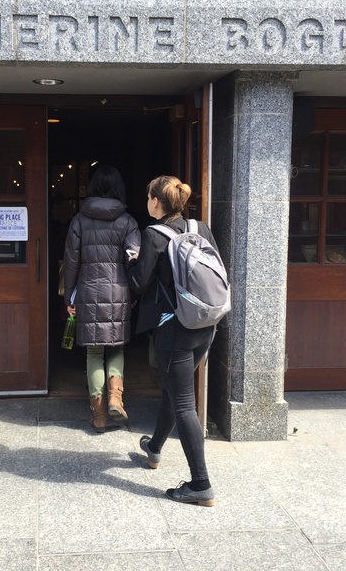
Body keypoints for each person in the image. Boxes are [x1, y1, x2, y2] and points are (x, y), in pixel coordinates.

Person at [126, 175, 219, 506]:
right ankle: (154, 448)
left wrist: (132, 260)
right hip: (205, 324)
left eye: (148, 197)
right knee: (174, 391)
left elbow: (139, 283)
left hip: (174, 329)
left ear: (155, 202)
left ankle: (201, 484)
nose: (147, 202)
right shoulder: (200, 228)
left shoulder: (153, 235)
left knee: (183, 403)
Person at [62, 164, 141, 433]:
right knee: (116, 347)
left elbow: (71, 263)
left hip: (88, 291)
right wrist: (134, 292)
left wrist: (69, 298)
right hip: (119, 292)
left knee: (94, 352)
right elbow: (134, 262)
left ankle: (98, 416)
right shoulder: (128, 222)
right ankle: (116, 399)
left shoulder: (79, 220)